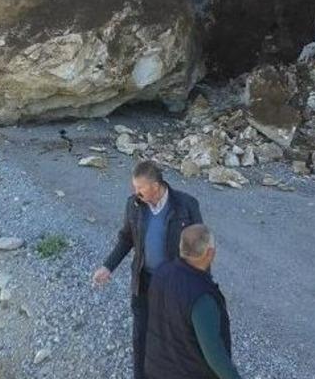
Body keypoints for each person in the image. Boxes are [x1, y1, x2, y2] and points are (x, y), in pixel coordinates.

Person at [92, 160, 203, 379]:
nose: (136, 192)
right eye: (134, 187)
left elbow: (199, 249)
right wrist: (108, 266)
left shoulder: (186, 205)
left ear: (155, 186)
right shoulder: (133, 205)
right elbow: (126, 239)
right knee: (141, 335)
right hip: (143, 282)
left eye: (140, 188)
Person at [145, 224, 241, 379]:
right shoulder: (202, 297)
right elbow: (214, 355)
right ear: (209, 253)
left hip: (156, 369)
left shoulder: (161, 273)